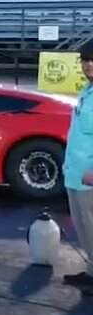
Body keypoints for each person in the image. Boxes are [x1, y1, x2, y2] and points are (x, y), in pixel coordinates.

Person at [62, 42, 93, 294]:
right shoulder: (86, 91)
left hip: (91, 177)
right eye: (85, 60)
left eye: (92, 60)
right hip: (75, 173)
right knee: (83, 228)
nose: (88, 65)